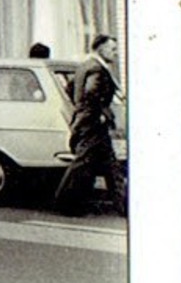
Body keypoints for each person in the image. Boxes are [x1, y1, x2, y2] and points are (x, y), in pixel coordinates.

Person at [54, 34, 127, 216]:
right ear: (100, 48)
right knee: (82, 165)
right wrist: (104, 114)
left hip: (87, 121)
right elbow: (92, 93)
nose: (116, 53)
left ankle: (123, 206)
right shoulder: (96, 69)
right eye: (112, 49)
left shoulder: (85, 66)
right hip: (92, 124)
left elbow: (70, 89)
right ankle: (64, 203)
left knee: (111, 166)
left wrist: (81, 109)